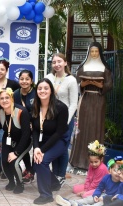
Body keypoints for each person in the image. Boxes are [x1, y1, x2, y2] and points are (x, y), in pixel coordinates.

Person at [70, 42, 113, 170]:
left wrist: (101, 86)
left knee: (96, 127)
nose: (94, 54)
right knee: (82, 128)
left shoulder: (105, 68)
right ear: (89, 52)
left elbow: (109, 84)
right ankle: (78, 160)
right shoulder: (83, 67)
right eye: (92, 51)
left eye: (96, 51)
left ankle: (95, 161)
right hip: (85, 99)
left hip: (98, 100)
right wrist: (83, 84)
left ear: (100, 52)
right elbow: (76, 84)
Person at [32, 78, 69, 204]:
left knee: (41, 161)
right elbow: (35, 130)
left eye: (46, 88)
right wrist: (36, 148)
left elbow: (59, 132)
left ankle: (46, 195)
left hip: (59, 140)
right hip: (44, 139)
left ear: (51, 91)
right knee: (36, 160)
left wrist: (41, 150)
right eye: (40, 88)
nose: (42, 91)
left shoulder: (61, 108)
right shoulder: (35, 106)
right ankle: (54, 183)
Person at [46, 53, 78, 186]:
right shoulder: (48, 77)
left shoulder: (71, 80)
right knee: (53, 145)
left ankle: (61, 174)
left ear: (65, 63)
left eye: (59, 61)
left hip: (66, 120)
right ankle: (54, 174)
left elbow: (73, 103)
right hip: (51, 118)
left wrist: (65, 121)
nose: (57, 64)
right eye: (54, 62)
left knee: (63, 147)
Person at [0, 59, 20, 179]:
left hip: (7, 120)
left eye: (2, 69)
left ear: (6, 71)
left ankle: (5, 167)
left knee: (4, 143)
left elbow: (17, 101)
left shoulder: (13, 84)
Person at [0, 88, 31, 194]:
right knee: (4, 161)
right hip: (8, 139)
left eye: (7, 97)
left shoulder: (22, 112)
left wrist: (16, 153)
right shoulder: (0, 112)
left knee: (13, 162)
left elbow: (26, 135)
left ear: (12, 98)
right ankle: (11, 181)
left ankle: (20, 184)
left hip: (24, 141)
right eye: (1, 98)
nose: (4, 100)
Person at [55, 158, 121, 206]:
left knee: (98, 205)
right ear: (109, 170)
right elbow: (100, 188)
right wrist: (96, 195)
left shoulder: (122, 183)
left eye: (120, 171)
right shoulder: (106, 178)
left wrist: (104, 198)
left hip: (111, 201)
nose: (118, 173)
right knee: (89, 199)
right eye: (115, 170)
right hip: (104, 195)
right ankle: (70, 202)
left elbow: (118, 197)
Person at [13, 69, 36, 184]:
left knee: (35, 149)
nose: (24, 81)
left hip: (35, 127)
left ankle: (33, 170)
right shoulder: (15, 94)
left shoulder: (36, 92)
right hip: (21, 127)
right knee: (24, 148)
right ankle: (29, 169)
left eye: (27, 79)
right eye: (22, 79)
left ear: (31, 81)